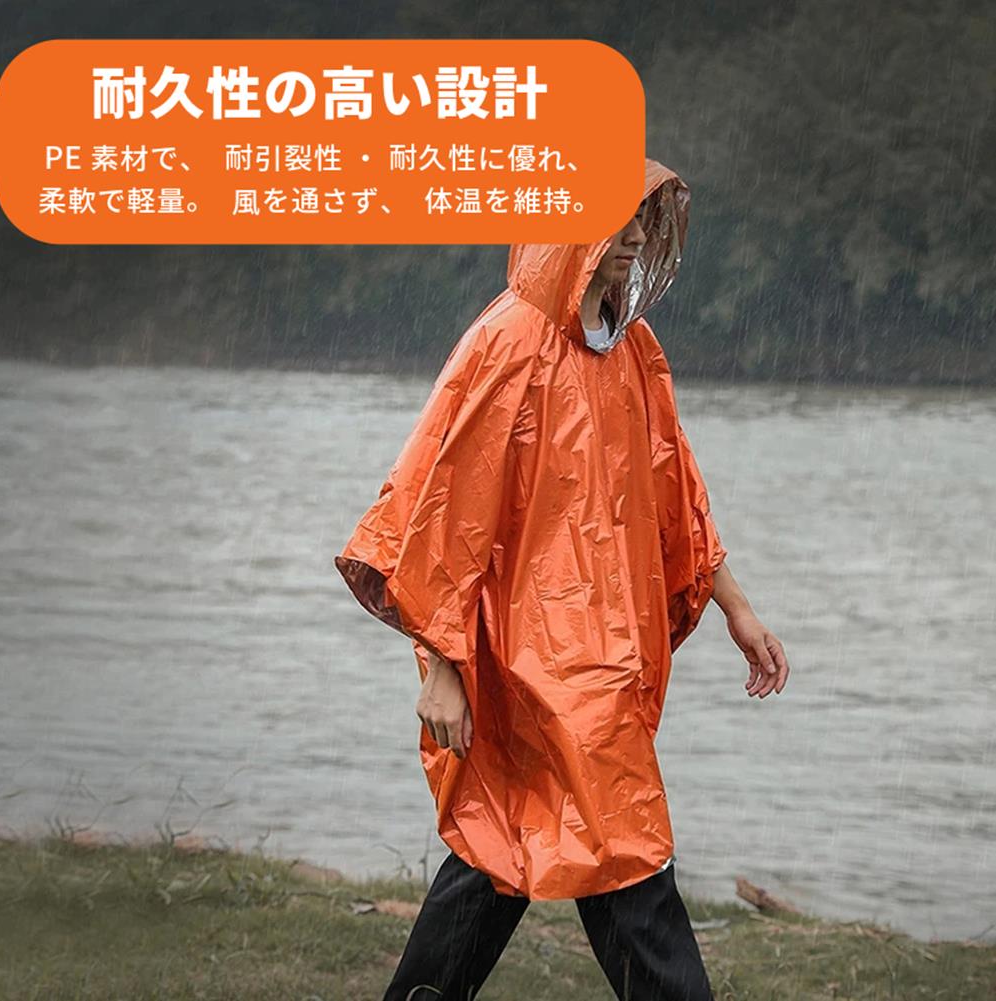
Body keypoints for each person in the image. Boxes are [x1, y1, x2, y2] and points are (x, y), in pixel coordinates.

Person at [335, 157, 791, 1000]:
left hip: (606, 653)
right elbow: (444, 512)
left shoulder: (633, 349)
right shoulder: (508, 343)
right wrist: (442, 667)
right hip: (524, 657)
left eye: (643, 221)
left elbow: (674, 495)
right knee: (618, 847)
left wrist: (737, 608)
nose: (634, 239)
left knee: (504, 845)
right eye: (618, 221)